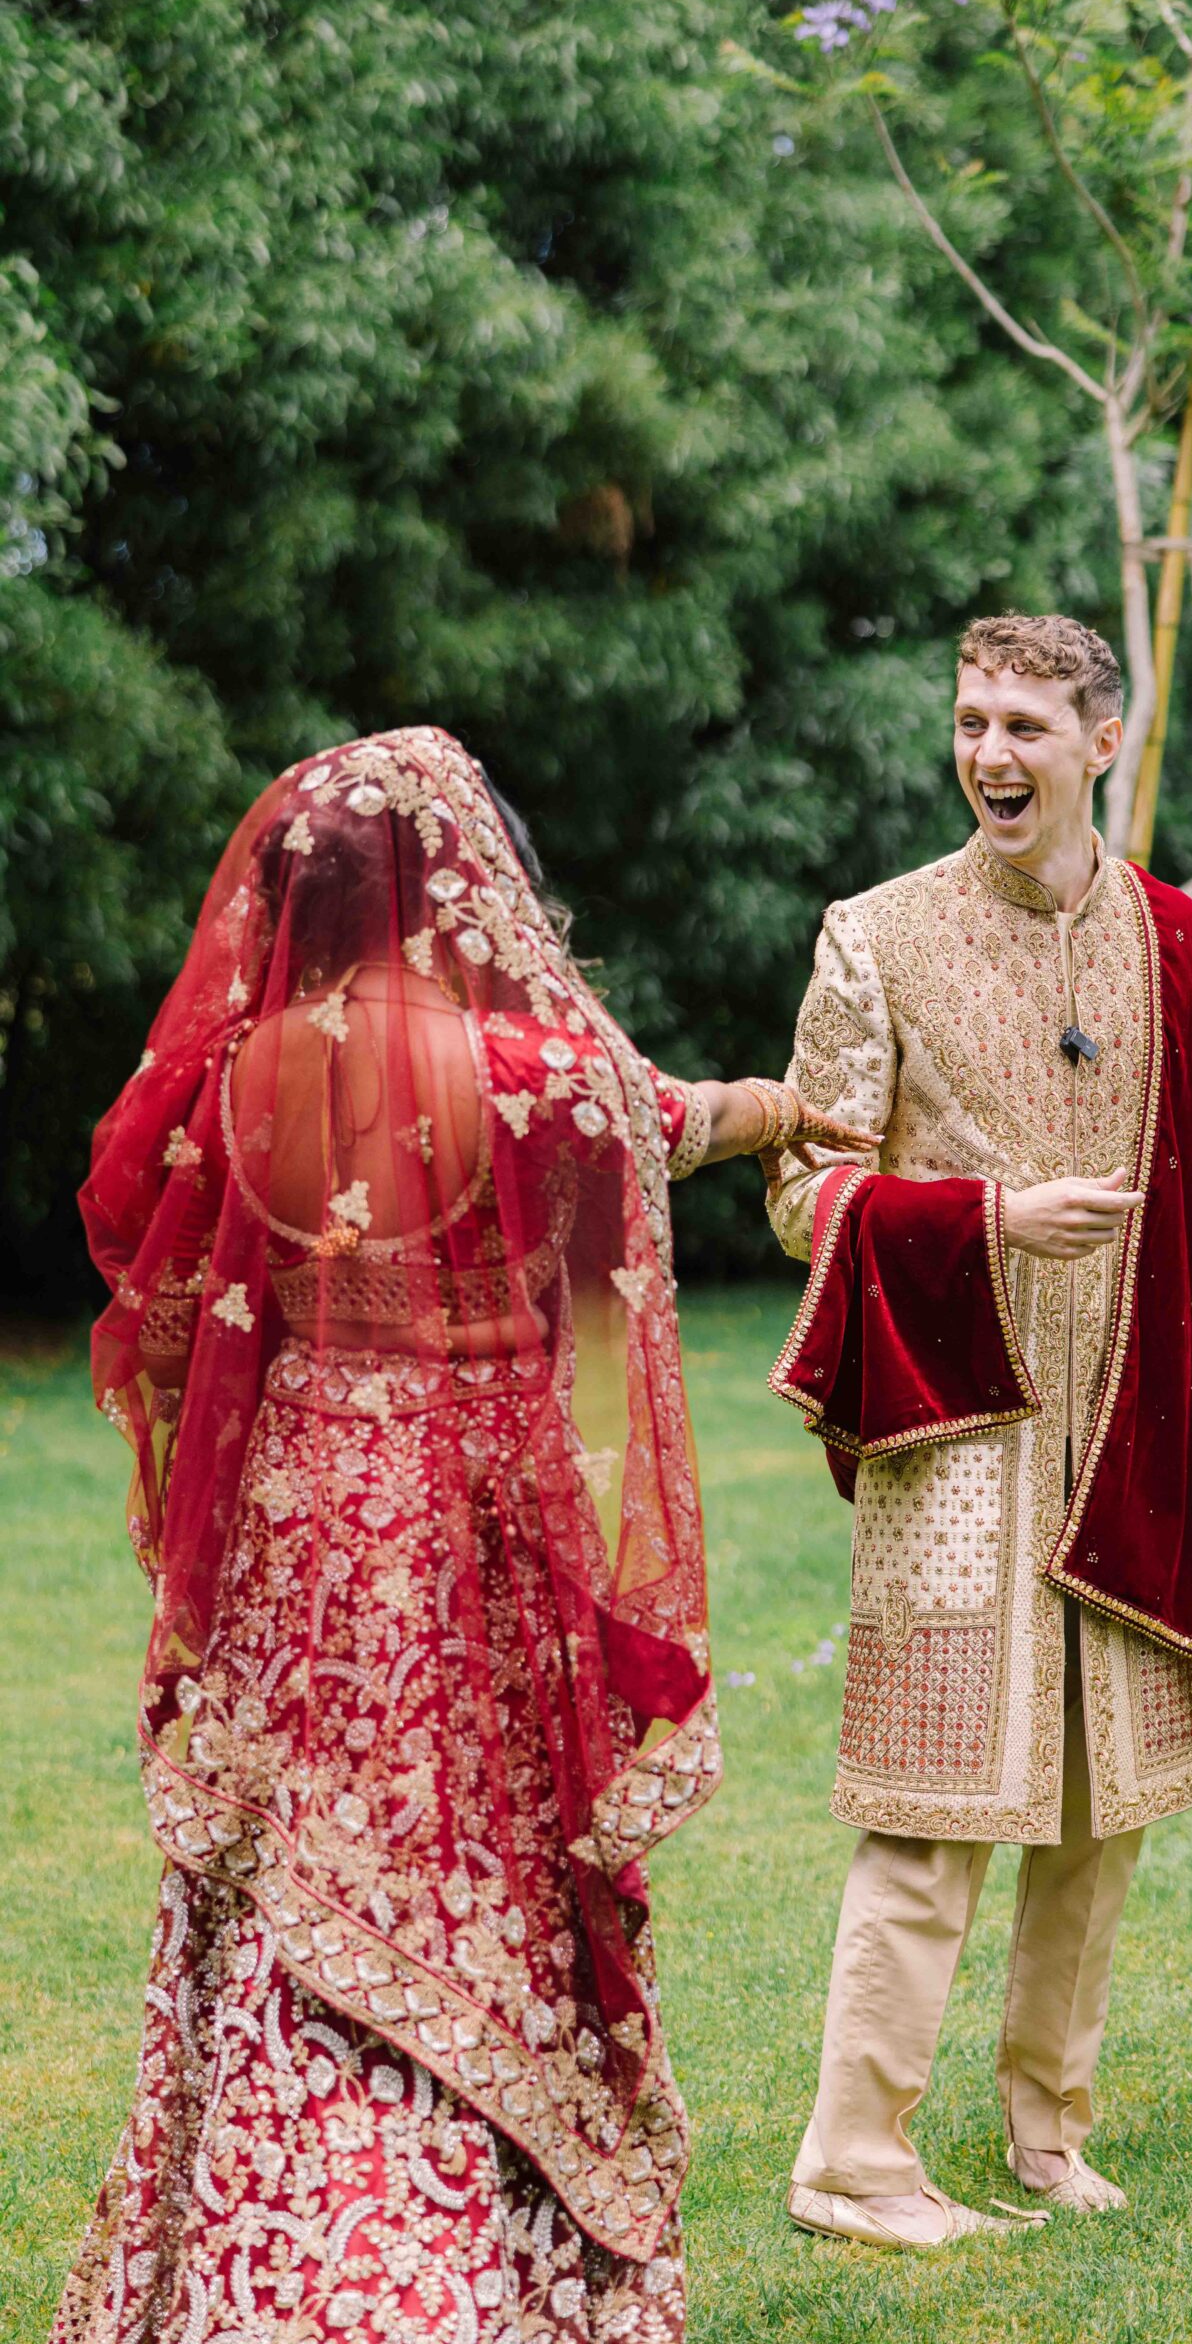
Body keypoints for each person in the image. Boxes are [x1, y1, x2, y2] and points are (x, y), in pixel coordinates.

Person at [55, 726, 870, 2342]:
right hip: (465, 1509)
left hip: (298, 1507)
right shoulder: (528, 1070)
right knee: (476, 1845)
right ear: (451, 876)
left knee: (288, 1845)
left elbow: (163, 1272)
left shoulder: (239, 1068)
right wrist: (792, 1105)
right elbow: (671, 1122)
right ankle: (436, 2258)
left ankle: (253, 2242)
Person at [765, 615, 1192, 2250]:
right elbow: (803, 1189)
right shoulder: (876, 936)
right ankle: (853, 2161)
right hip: (962, 1419)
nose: (989, 754)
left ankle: (1047, 2128)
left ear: (1102, 742)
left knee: (1104, 1811)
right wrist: (988, 1217)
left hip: (1140, 1413)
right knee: (931, 1806)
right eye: (971, 721)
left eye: (1025, 725)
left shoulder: (1179, 942)